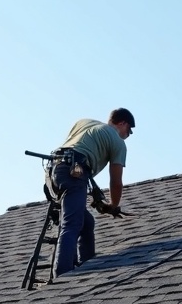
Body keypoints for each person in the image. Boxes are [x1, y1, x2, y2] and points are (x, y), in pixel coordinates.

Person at [47, 108, 135, 278]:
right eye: (129, 130)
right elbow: (116, 182)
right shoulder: (117, 141)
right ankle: (63, 275)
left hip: (54, 173)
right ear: (122, 123)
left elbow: (72, 147)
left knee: (86, 222)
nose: (128, 134)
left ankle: (86, 265)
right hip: (74, 173)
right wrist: (113, 206)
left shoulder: (83, 122)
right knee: (72, 224)